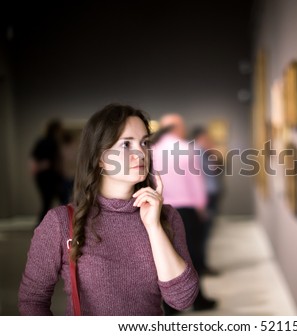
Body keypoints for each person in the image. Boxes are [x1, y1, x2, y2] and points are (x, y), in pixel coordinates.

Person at [19, 103, 199, 315]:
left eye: (144, 143)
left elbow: (182, 299)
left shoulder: (166, 216)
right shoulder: (60, 222)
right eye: (126, 145)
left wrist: (154, 227)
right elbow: (33, 301)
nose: (141, 153)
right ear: (101, 158)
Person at [152, 113, 217, 313]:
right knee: (192, 254)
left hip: (160, 209)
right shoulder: (185, 149)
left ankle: (171, 306)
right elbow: (196, 182)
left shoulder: (152, 150)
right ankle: (198, 299)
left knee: (165, 256)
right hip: (187, 210)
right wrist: (201, 207)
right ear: (177, 128)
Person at [191, 126, 225, 275]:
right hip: (205, 198)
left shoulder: (203, 152)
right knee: (203, 233)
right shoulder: (196, 152)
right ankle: (201, 266)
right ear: (200, 138)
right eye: (206, 138)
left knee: (206, 232)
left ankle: (202, 264)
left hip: (208, 196)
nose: (209, 141)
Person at [30, 119, 64, 224]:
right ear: (55, 130)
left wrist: (37, 168)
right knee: (50, 201)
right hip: (48, 177)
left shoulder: (45, 141)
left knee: (48, 202)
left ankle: (43, 225)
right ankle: (41, 226)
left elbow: (33, 159)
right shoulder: (51, 142)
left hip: (45, 176)